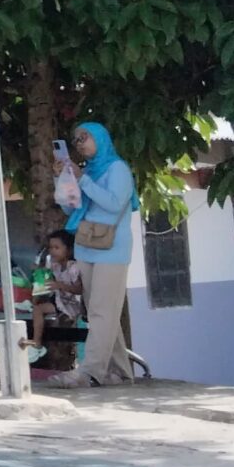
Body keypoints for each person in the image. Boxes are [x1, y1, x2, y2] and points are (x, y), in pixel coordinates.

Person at [51, 120, 137, 388]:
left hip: (112, 250)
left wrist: (82, 180)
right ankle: (120, 372)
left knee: (101, 311)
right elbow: (70, 208)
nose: (80, 144)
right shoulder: (86, 170)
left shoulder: (117, 168)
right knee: (101, 312)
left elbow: (114, 204)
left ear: (100, 138)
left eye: (85, 137)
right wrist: (62, 179)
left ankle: (90, 371)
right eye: (76, 140)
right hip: (86, 246)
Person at [25, 229, 85, 363]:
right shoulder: (55, 265)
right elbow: (47, 274)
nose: (52, 251)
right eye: (51, 248)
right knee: (38, 309)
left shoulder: (74, 268)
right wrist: (38, 271)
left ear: (68, 250)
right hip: (60, 301)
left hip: (73, 305)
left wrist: (60, 285)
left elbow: (79, 289)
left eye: (57, 248)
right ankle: (36, 344)